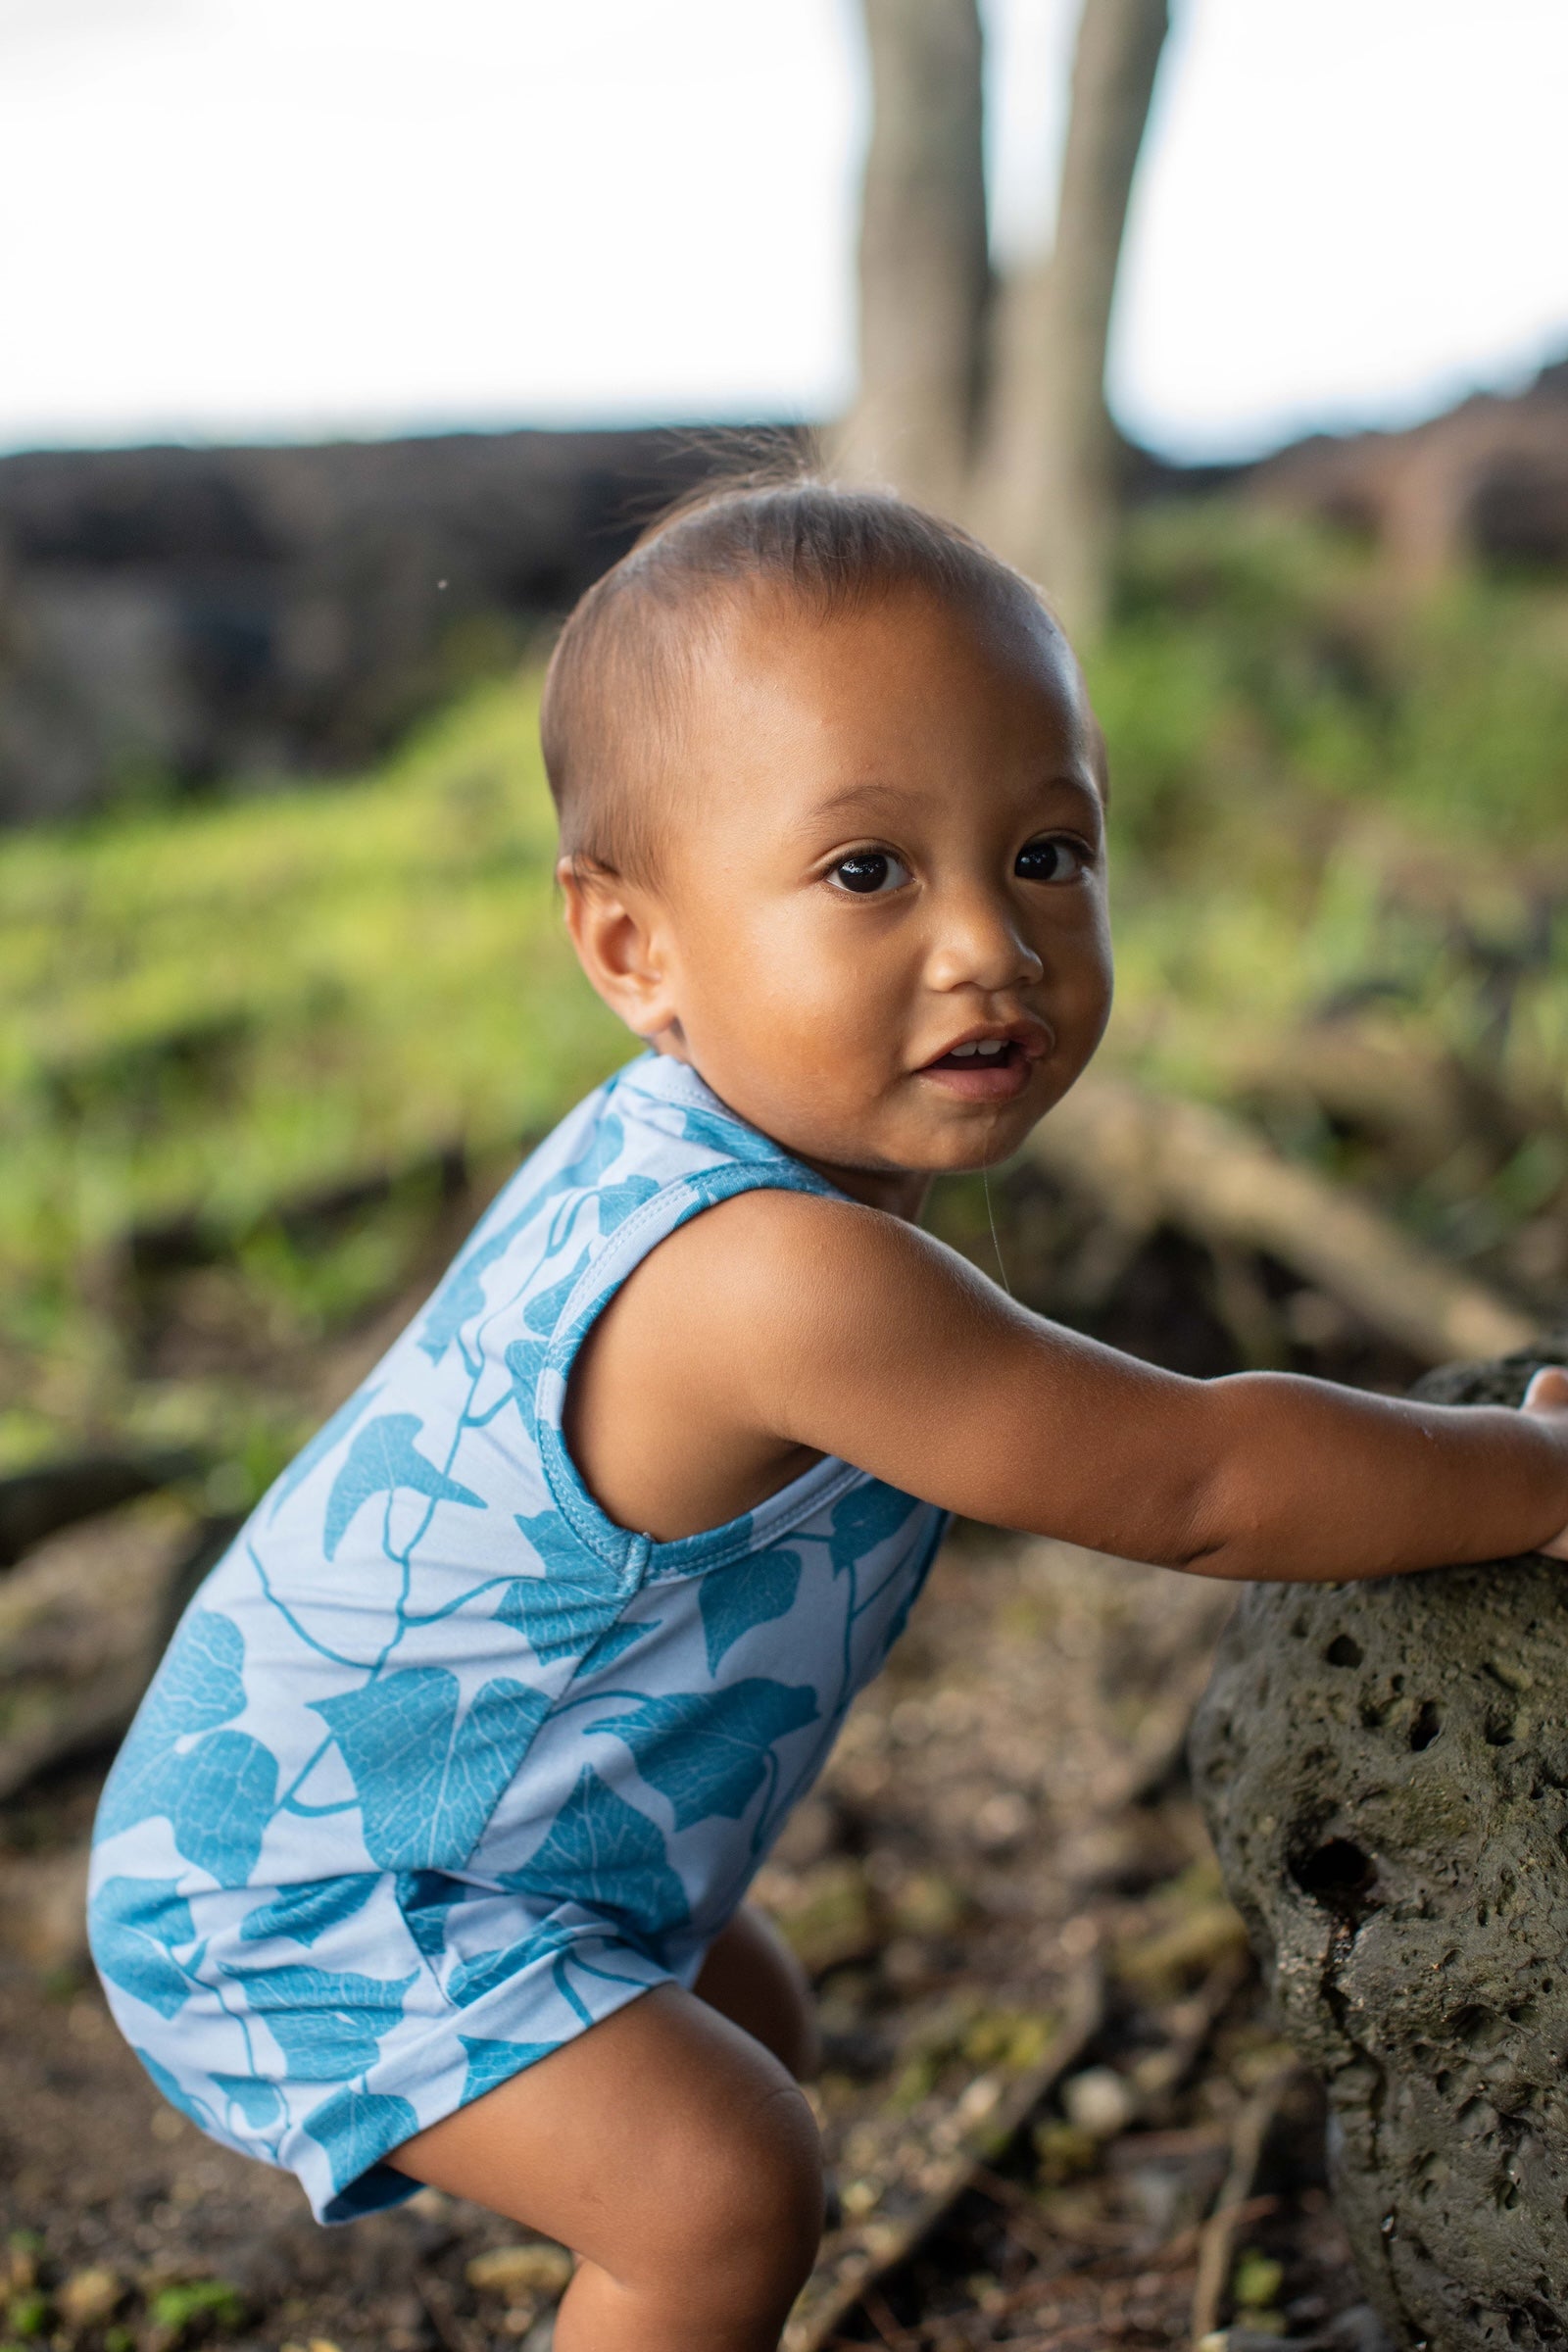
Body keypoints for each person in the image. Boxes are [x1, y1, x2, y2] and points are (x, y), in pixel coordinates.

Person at [88, 476, 1568, 2352]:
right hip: (314, 1884)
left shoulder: (729, 1147)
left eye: (1047, 854)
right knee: (723, 2182)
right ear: (637, 952)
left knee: (739, 2037)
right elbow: (1193, 1481)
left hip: (470, 1831)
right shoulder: (771, 1277)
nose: (991, 947)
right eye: (869, 873)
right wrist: (1527, 1475)